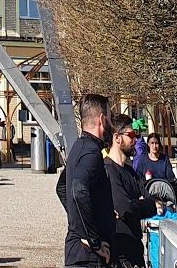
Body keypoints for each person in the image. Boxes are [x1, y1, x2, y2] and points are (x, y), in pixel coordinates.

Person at [63, 92, 114, 268]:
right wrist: (94, 240)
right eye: (110, 117)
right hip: (89, 259)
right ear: (101, 119)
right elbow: (78, 190)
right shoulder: (90, 153)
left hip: (79, 253)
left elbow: (62, 187)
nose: (112, 124)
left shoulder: (78, 147)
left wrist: (78, 222)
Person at [104, 114, 145, 264]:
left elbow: (149, 195)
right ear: (117, 138)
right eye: (131, 135)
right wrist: (147, 205)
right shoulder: (107, 170)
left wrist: (142, 204)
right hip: (119, 251)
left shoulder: (130, 171)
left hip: (136, 248)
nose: (135, 140)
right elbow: (125, 208)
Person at [135, 134, 177, 201]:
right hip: (148, 195)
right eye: (152, 143)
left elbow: (170, 178)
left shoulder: (164, 159)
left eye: (156, 143)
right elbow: (138, 179)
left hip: (164, 195)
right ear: (148, 144)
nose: (154, 146)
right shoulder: (142, 159)